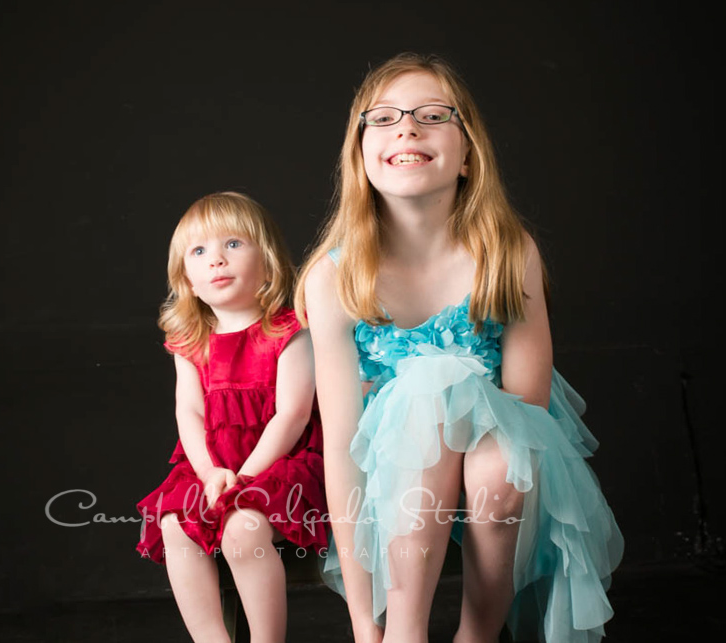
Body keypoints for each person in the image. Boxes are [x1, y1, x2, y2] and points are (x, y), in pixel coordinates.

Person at [295, 53, 624, 643]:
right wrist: (364, 627)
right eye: (386, 117)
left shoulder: (506, 252)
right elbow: (344, 451)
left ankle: (478, 634)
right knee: (422, 395)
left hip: (499, 451)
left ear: (468, 153)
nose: (407, 128)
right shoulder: (333, 279)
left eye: (432, 115)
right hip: (390, 473)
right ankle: (404, 634)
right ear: (360, 153)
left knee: (498, 469)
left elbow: (527, 414)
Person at [136, 191, 327, 643]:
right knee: (173, 525)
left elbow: (293, 415)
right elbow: (189, 411)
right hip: (213, 467)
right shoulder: (190, 339)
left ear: (268, 260)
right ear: (186, 277)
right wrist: (208, 472)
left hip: (280, 464)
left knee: (243, 529)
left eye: (233, 245)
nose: (216, 260)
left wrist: (245, 476)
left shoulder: (288, 329)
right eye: (199, 252)